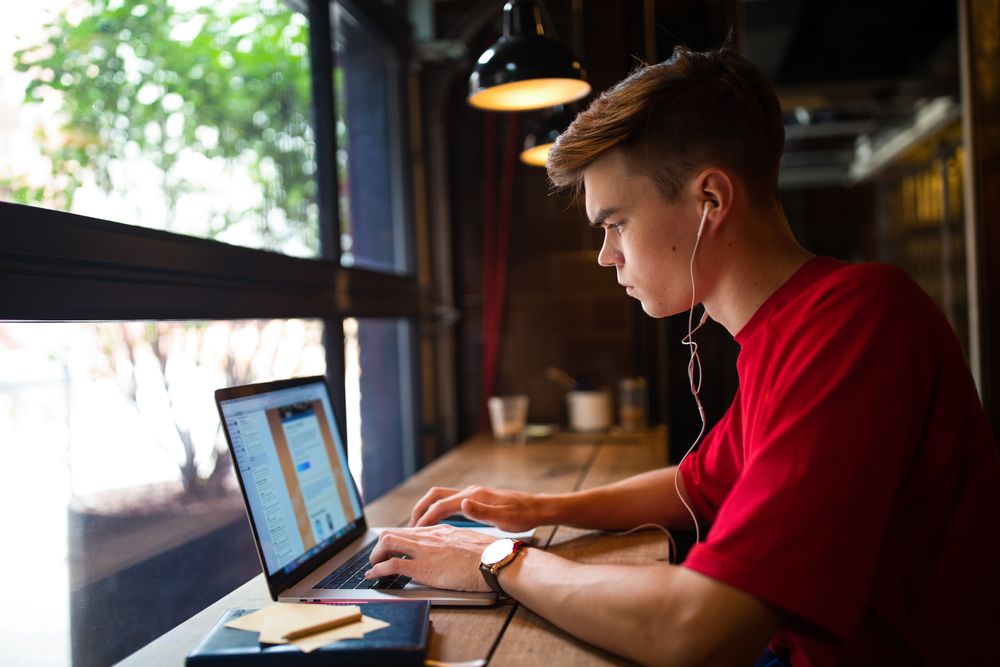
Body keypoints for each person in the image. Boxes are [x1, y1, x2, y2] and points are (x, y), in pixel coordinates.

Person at [364, 41, 1000, 666]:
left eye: (615, 223)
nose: (605, 255)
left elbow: (700, 629)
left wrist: (497, 560)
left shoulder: (857, 320)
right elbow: (692, 483)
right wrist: (533, 509)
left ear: (710, 202)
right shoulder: (788, 328)